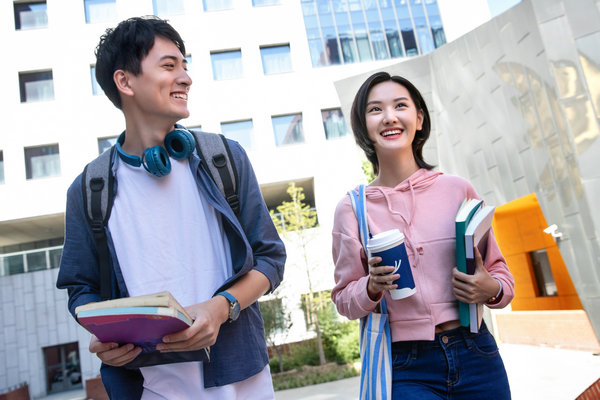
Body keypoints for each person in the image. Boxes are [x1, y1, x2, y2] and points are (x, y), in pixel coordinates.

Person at [56, 16, 286, 399]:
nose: (185, 77)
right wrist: (106, 338)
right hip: (150, 388)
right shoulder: (87, 190)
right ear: (125, 81)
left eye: (185, 65)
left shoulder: (224, 159)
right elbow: (81, 291)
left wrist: (221, 307)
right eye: (168, 65)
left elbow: (270, 258)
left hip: (244, 381)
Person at [331, 72, 514, 399]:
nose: (389, 116)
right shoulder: (352, 209)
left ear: (418, 118)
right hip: (405, 364)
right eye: (375, 110)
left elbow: (499, 272)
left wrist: (491, 288)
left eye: (400, 105)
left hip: (477, 352)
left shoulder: (457, 189)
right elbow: (344, 299)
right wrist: (371, 286)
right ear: (363, 126)